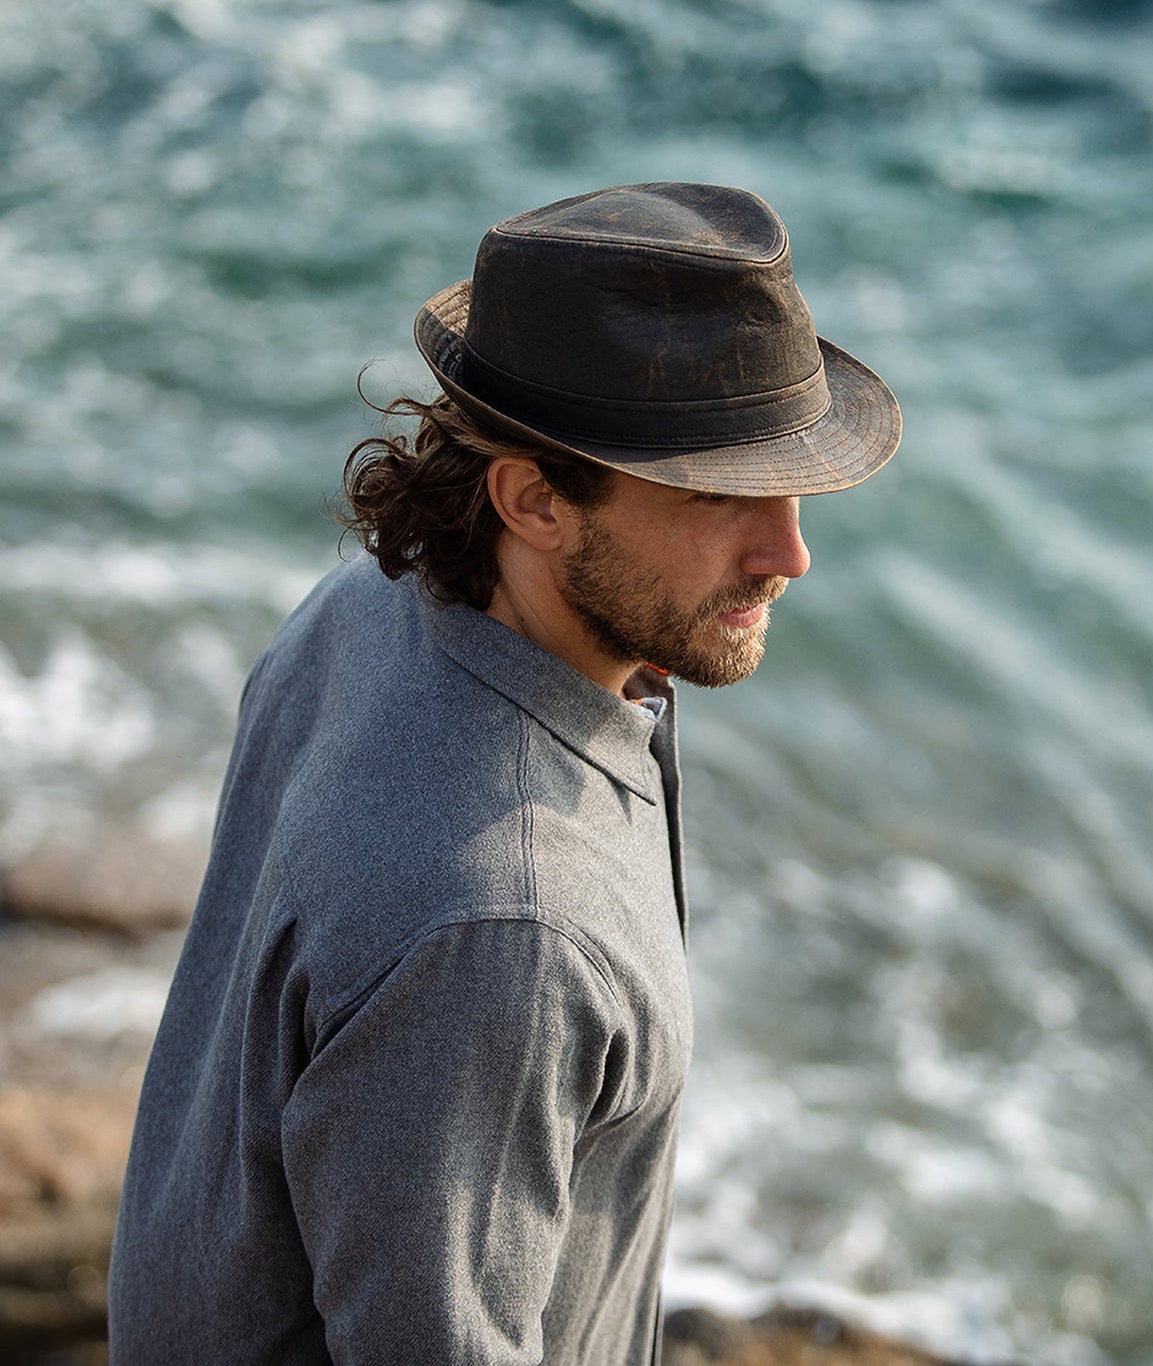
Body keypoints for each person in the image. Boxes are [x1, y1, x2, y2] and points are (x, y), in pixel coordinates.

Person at [108, 181, 901, 1364]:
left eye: (788, 478)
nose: (787, 549)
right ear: (532, 498)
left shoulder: (370, 609)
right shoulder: (510, 930)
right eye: (717, 490)